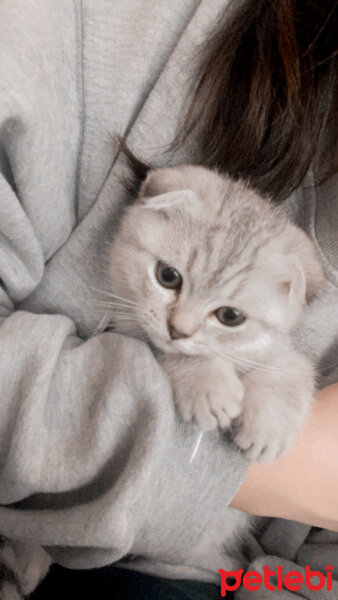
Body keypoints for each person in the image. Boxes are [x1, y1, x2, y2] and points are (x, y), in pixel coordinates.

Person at [0, 0, 337, 598]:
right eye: (171, 278)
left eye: (227, 315)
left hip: (216, 568)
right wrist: (263, 461)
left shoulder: (280, 303)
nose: (180, 324)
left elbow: (284, 374)